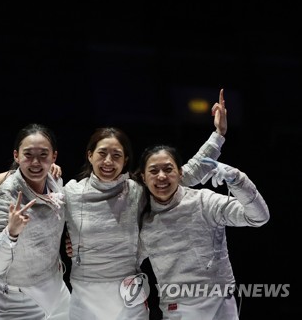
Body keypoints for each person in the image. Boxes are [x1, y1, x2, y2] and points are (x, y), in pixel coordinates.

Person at [63, 90, 228, 319]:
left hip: (127, 295)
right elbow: (42, 213)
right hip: (84, 294)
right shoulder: (70, 192)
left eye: (116, 155)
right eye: (102, 153)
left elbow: (183, 175)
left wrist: (218, 135)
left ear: (126, 160)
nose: (108, 161)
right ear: (90, 155)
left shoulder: (137, 190)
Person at [134, 147, 269, 320]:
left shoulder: (205, 202)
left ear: (180, 173)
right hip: (178, 309)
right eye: (153, 171)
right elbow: (125, 265)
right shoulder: (144, 224)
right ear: (144, 178)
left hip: (221, 304)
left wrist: (238, 181)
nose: (161, 176)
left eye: (168, 169)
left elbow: (259, 217)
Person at [0, 123, 71, 319]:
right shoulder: (7, 197)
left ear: (54, 157)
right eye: (28, 155)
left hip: (57, 290)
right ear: (16, 156)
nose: (36, 162)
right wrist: (10, 234)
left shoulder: (55, 181)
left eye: (43, 155)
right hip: (19, 302)